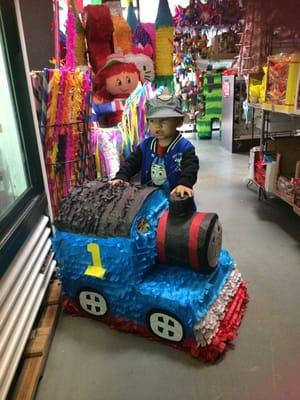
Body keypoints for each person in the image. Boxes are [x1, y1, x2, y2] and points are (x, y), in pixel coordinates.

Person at [110, 94, 199, 198]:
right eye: (152, 121)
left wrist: (184, 183)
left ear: (179, 122)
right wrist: (121, 176)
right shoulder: (145, 146)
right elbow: (131, 163)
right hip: (149, 201)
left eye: (164, 120)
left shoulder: (185, 148)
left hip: (176, 201)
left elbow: (190, 168)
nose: (157, 125)